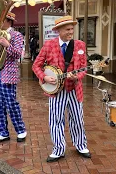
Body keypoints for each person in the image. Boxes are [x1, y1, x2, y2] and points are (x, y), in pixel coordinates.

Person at [32, 15, 91, 162]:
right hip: (56, 91)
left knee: (77, 119)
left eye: (72, 29)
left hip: (74, 89)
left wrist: (77, 76)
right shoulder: (49, 45)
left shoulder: (80, 45)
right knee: (56, 120)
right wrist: (44, 77)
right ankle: (58, 149)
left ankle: (81, 145)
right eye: (67, 29)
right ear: (58, 30)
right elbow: (36, 65)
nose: (71, 32)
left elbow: (84, 68)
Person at [0, 12, 27, 143]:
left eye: (1, 21)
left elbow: (17, 54)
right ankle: (3, 132)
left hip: (8, 73)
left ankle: (21, 130)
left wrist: (7, 44)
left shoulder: (17, 35)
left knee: (11, 103)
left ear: (8, 21)